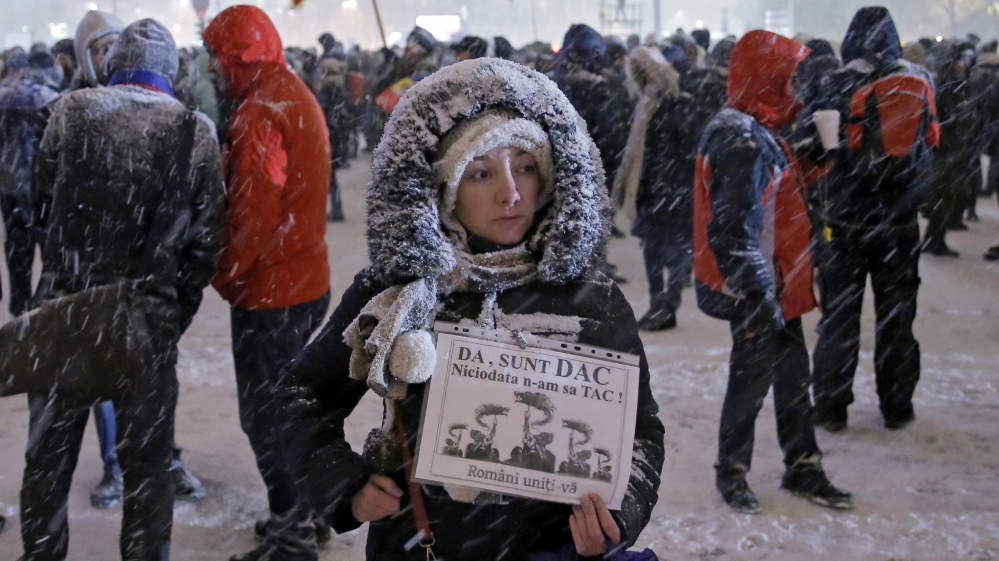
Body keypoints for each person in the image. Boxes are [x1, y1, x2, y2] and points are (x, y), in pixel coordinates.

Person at [276, 57, 665, 560]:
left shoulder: (591, 298)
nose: (511, 193)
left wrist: (618, 514)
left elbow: (639, 435)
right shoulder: (399, 292)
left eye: (526, 166)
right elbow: (302, 395)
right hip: (421, 548)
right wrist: (344, 484)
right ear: (443, 188)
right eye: (481, 173)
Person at [22, 19, 223, 560]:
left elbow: (39, 204)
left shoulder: (71, 111)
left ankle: (43, 552)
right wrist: (168, 313)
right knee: (147, 465)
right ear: (170, 73)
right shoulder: (193, 129)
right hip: (142, 322)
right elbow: (206, 244)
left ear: (111, 66)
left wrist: (65, 273)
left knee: (48, 460)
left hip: (64, 316)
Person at [694, 30, 853, 514]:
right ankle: (735, 472)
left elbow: (770, 194)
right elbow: (734, 229)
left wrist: (812, 161)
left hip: (774, 280)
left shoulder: (749, 124)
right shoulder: (741, 138)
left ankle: (801, 465)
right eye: (787, 78)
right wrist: (757, 294)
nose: (796, 88)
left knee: (789, 377)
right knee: (752, 381)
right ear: (767, 78)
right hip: (760, 285)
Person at [203, 7, 332, 560]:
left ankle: (293, 531)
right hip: (306, 278)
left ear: (238, 57)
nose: (214, 69)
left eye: (218, 58)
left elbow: (255, 216)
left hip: (272, 290)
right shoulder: (293, 92)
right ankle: (308, 512)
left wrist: (223, 271)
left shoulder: (259, 113)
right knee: (293, 407)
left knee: (266, 415)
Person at [805, 7, 932, 433]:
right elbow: (930, 146)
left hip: (844, 222)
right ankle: (897, 405)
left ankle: (831, 406)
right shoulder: (920, 80)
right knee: (898, 316)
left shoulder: (835, 82)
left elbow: (814, 148)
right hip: (900, 223)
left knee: (839, 317)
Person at [0, 48, 61, 318]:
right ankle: (45, 309)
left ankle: (19, 308)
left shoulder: (1, 94)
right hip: (42, 187)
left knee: (17, 250)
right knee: (49, 251)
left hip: (8, 186)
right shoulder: (46, 97)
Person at [923, 40, 976, 256]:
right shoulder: (947, 85)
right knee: (943, 197)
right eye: (961, 59)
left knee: (948, 197)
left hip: (955, 150)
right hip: (946, 151)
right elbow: (938, 120)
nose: (964, 63)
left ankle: (935, 238)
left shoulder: (960, 84)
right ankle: (935, 240)